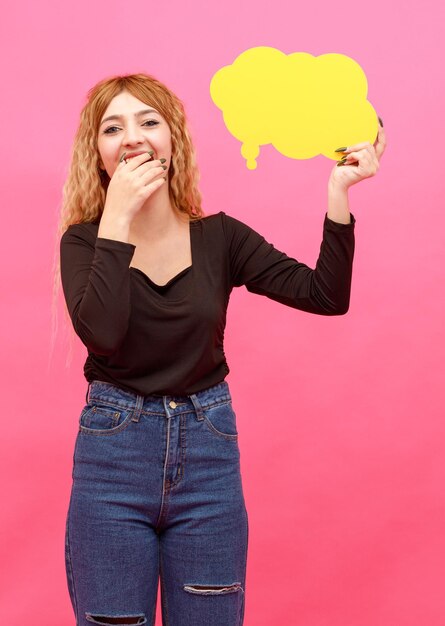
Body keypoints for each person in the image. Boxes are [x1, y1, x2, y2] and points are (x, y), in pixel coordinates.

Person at [58, 72, 386, 626]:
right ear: (99, 155)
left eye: (149, 121)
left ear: (174, 140)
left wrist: (338, 194)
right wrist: (115, 218)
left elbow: (325, 296)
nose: (132, 136)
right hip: (112, 462)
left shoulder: (221, 238)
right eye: (113, 128)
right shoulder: (84, 242)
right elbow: (105, 337)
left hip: (208, 462)